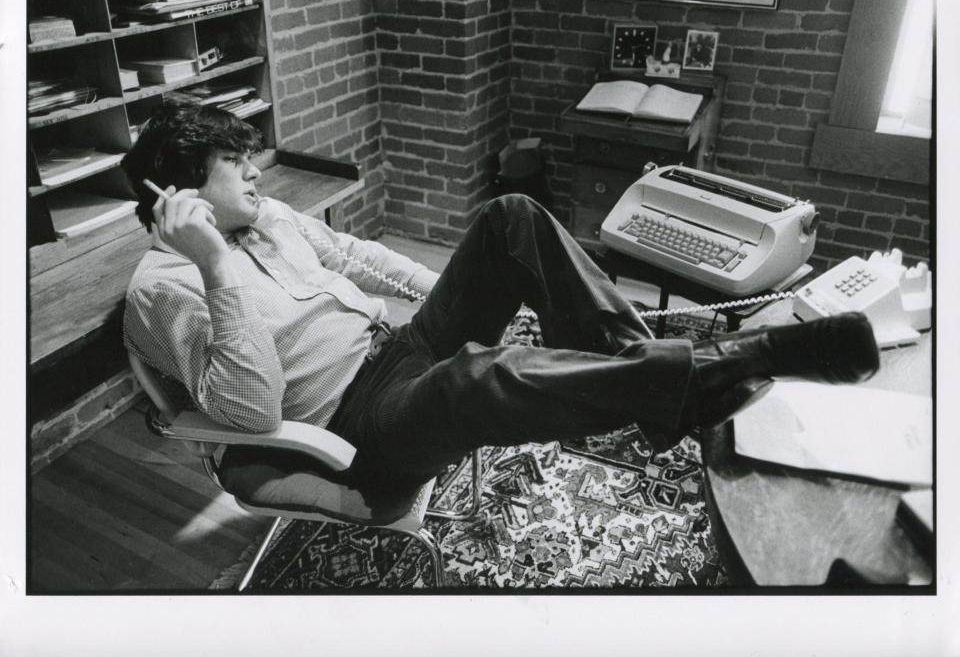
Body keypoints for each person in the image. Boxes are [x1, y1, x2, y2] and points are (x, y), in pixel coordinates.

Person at [121, 104, 880, 493]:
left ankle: (655, 369)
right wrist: (217, 264)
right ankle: (723, 363)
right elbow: (249, 415)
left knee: (510, 218)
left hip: (396, 350)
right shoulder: (165, 289)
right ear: (180, 190)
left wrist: (456, 292)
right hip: (356, 429)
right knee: (479, 374)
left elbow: (354, 255)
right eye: (233, 163)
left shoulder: (272, 216)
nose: (255, 175)